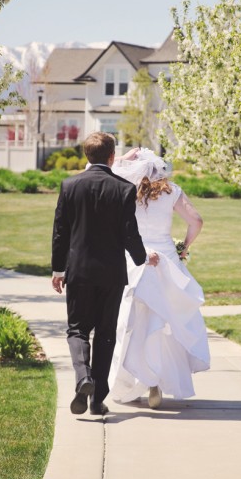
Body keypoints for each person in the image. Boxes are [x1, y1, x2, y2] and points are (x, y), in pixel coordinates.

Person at [51, 132, 159, 416]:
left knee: (77, 330)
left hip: (79, 272)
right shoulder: (124, 189)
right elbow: (129, 233)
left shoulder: (69, 185)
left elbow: (60, 232)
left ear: (87, 155)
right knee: (106, 335)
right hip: (112, 273)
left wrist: (58, 269)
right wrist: (142, 258)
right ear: (112, 157)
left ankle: (83, 378)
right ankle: (98, 399)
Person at [105, 147, 210, 409]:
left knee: (132, 322)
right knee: (166, 321)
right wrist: (184, 246)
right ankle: (156, 382)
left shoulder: (125, 190)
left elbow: (94, 168)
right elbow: (196, 220)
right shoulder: (171, 191)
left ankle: (138, 379)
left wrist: (120, 159)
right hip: (165, 260)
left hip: (135, 259)